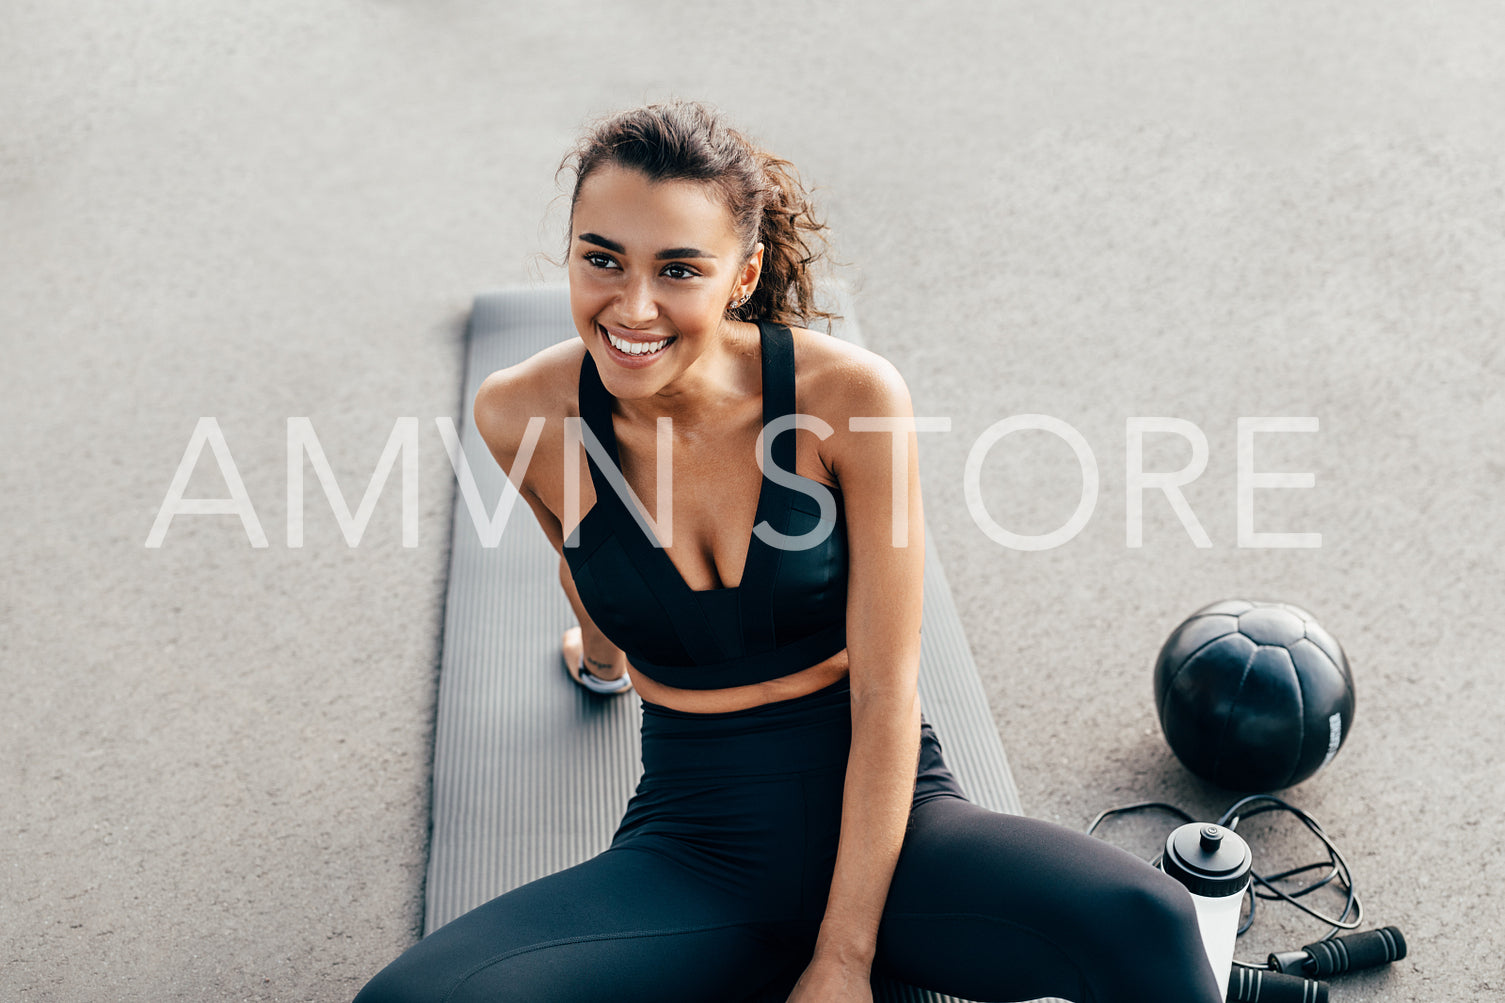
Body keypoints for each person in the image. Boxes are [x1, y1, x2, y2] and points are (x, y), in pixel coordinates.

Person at [354, 100, 1223, 1003]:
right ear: (569, 250)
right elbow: (578, 560)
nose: (633, 305)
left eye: (678, 269)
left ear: (743, 274)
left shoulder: (846, 397)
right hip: (699, 843)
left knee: (1147, 920)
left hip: (895, 822)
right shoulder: (519, 412)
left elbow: (889, 693)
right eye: (601, 257)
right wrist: (602, 659)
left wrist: (842, 960)